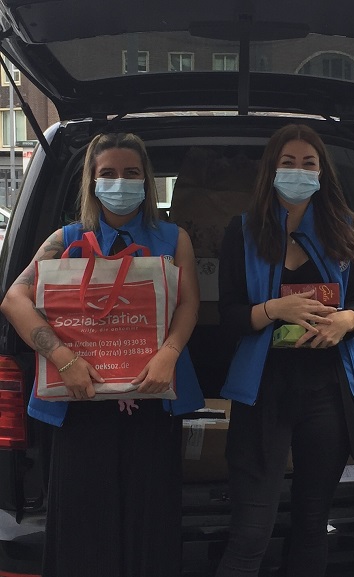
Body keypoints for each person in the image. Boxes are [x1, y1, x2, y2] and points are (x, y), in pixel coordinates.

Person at [0, 132, 204, 577]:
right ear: (91, 182)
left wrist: (169, 352)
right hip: (80, 402)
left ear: (147, 181)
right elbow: (14, 298)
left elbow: (190, 303)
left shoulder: (174, 238)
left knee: (150, 521)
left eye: (131, 173)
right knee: (82, 526)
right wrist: (65, 361)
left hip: (153, 400)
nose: (120, 181)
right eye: (107, 173)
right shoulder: (66, 238)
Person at [215, 124, 354, 577]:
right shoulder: (241, 232)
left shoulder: (345, 231)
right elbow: (227, 316)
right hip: (263, 391)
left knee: (311, 524)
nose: (298, 172)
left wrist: (346, 321)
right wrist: (272, 309)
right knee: (250, 530)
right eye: (288, 163)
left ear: (323, 173)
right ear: (271, 170)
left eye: (309, 164)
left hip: (326, 392)